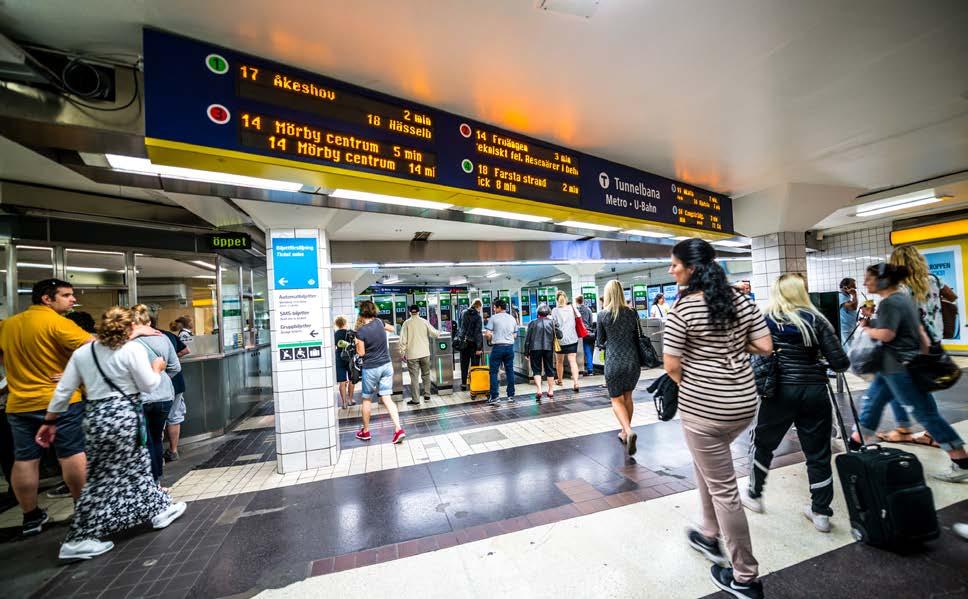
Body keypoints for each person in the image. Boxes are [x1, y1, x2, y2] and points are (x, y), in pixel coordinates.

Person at [662, 238, 772, 599]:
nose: (670, 270)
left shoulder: (682, 309)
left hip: (704, 409)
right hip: (743, 403)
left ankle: (744, 576)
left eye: (675, 264)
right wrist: (728, 348)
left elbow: (672, 366)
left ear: (691, 269)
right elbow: (764, 346)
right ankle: (709, 535)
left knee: (725, 490)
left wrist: (698, 377)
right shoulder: (739, 301)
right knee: (706, 467)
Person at [36, 306, 186, 560]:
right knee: (113, 473)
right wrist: (157, 368)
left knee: (128, 467)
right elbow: (148, 384)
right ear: (129, 329)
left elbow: (63, 390)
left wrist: (49, 421)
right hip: (124, 413)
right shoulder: (130, 350)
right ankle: (79, 538)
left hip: (95, 416)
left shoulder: (84, 353)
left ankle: (158, 508)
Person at [741, 274, 850, 533]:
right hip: (814, 392)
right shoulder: (818, 321)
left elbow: (751, 352)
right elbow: (841, 364)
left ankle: (754, 496)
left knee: (763, 444)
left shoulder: (767, 320)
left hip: (779, 392)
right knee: (818, 452)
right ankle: (821, 513)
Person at [849, 263, 968, 482]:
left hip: (898, 369)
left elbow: (887, 334)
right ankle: (854, 447)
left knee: (925, 414)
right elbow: (920, 334)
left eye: (869, 278)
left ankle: (961, 460)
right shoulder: (902, 299)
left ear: (883, 281)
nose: (865, 283)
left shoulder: (891, 303)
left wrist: (867, 328)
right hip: (892, 367)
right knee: (872, 405)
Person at [0, 279, 94, 537]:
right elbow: (94, 349)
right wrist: (68, 372)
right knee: (72, 453)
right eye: (66, 295)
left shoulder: (7, 325)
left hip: (19, 403)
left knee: (25, 459)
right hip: (61, 401)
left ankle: (31, 517)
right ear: (46, 298)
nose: (72, 299)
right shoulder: (58, 323)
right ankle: (83, 509)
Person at [877, 245, 957, 445]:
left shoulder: (898, 288)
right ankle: (911, 429)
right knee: (917, 385)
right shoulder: (933, 280)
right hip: (934, 341)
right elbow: (952, 297)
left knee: (902, 385)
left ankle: (924, 433)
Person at [130, 305, 181, 486]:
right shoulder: (163, 338)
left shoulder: (127, 342)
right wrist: (160, 377)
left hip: (140, 397)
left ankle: (147, 482)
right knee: (157, 437)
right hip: (164, 396)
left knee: (143, 441)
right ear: (149, 322)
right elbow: (175, 367)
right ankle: (157, 479)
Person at [597, 280, 643, 456]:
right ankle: (625, 432)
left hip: (614, 361)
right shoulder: (632, 313)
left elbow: (600, 341)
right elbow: (637, 335)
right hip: (633, 361)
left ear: (607, 294)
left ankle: (628, 431)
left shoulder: (603, 315)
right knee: (628, 397)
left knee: (616, 399)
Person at [354, 301, 406, 444]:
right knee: (387, 398)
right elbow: (392, 328)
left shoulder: (360, 332)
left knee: (367, 399)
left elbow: (361, 353)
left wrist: (356, 342)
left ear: (361, 313)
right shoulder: (379, 322)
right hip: (386, 365)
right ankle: (398, 429)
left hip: (371, 368)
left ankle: (365, 431)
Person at [399, 305, 441, 406]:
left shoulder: (406, 323)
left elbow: (403, 340)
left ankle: (416, 399)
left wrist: (402, 352)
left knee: (414, 378)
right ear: (418, 312)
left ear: (409, 312)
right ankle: (427, 395)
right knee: (426, 375)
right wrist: (439, 333)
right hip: (425, 353)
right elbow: (434, 333)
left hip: (412, 355)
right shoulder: (424, 321)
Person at [524, 303, 561, 402]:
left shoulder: (532, 323)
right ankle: (550, 390)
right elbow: (560, 335)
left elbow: (527, 339)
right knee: (549, 368)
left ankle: (539, 389)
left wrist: (526, 352)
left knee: (536, 369)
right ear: (548, 312)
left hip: (534, 349)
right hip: (548, 348)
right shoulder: (552, 322)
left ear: (538, 313)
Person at [484, 299, 518, 404]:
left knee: (493, 372)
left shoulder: (493, 318)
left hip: (498, 347)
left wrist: (490, 339)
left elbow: (488, 334)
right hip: (509, 348)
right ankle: (511, 396)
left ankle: (495, 397)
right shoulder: (512, 318)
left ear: (499, 307)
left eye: (494, 307)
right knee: (509, 371)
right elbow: (515, 335)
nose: (494, 309)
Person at [551, 291, 581, 392]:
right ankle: (576, 382)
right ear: (566, 298)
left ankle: (560, 380)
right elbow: (579, 317)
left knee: (559, 361)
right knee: (573, 360)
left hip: (560, 340)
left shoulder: (554, 310)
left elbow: (552, 323)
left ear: (556, 299)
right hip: (572, 338)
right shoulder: (572, 308)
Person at [457, 299, 484, 391]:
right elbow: (478, 333)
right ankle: (474, 382)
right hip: (473, 344)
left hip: (463, 343)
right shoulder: (478, 316)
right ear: (478, 306)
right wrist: (479, 347)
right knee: (475, 364)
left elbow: (460, 327)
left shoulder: (463, 312)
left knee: (464, 364)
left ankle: (464, 383)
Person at [333, 316, 355, 409]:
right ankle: (350, 399)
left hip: (339, 357)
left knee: (342, 381)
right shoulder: (350, 333)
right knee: (351, 379)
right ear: (345, 323)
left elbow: (333, 346)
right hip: (349, 357)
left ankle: (344, 402)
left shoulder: (335, 334)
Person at [575, 296, 595, 376]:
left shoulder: (576, 310)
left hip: (578, 333)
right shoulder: (588, 309)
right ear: (583, 300)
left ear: (576, 301)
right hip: (587, 332)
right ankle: (590, 369)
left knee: (578, 352)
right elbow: (591, 322)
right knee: (588, 351)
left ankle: (580, 369)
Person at [838, 278, 859, 347]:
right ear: (845, 287)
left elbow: (853, 310)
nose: (855, 287)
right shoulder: (840, 296)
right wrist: (854, 295)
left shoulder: (847, 297)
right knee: (848, 350)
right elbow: (853, 307)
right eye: (853, 285)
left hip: (850, 327)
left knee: (851, 348)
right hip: (845, 328)